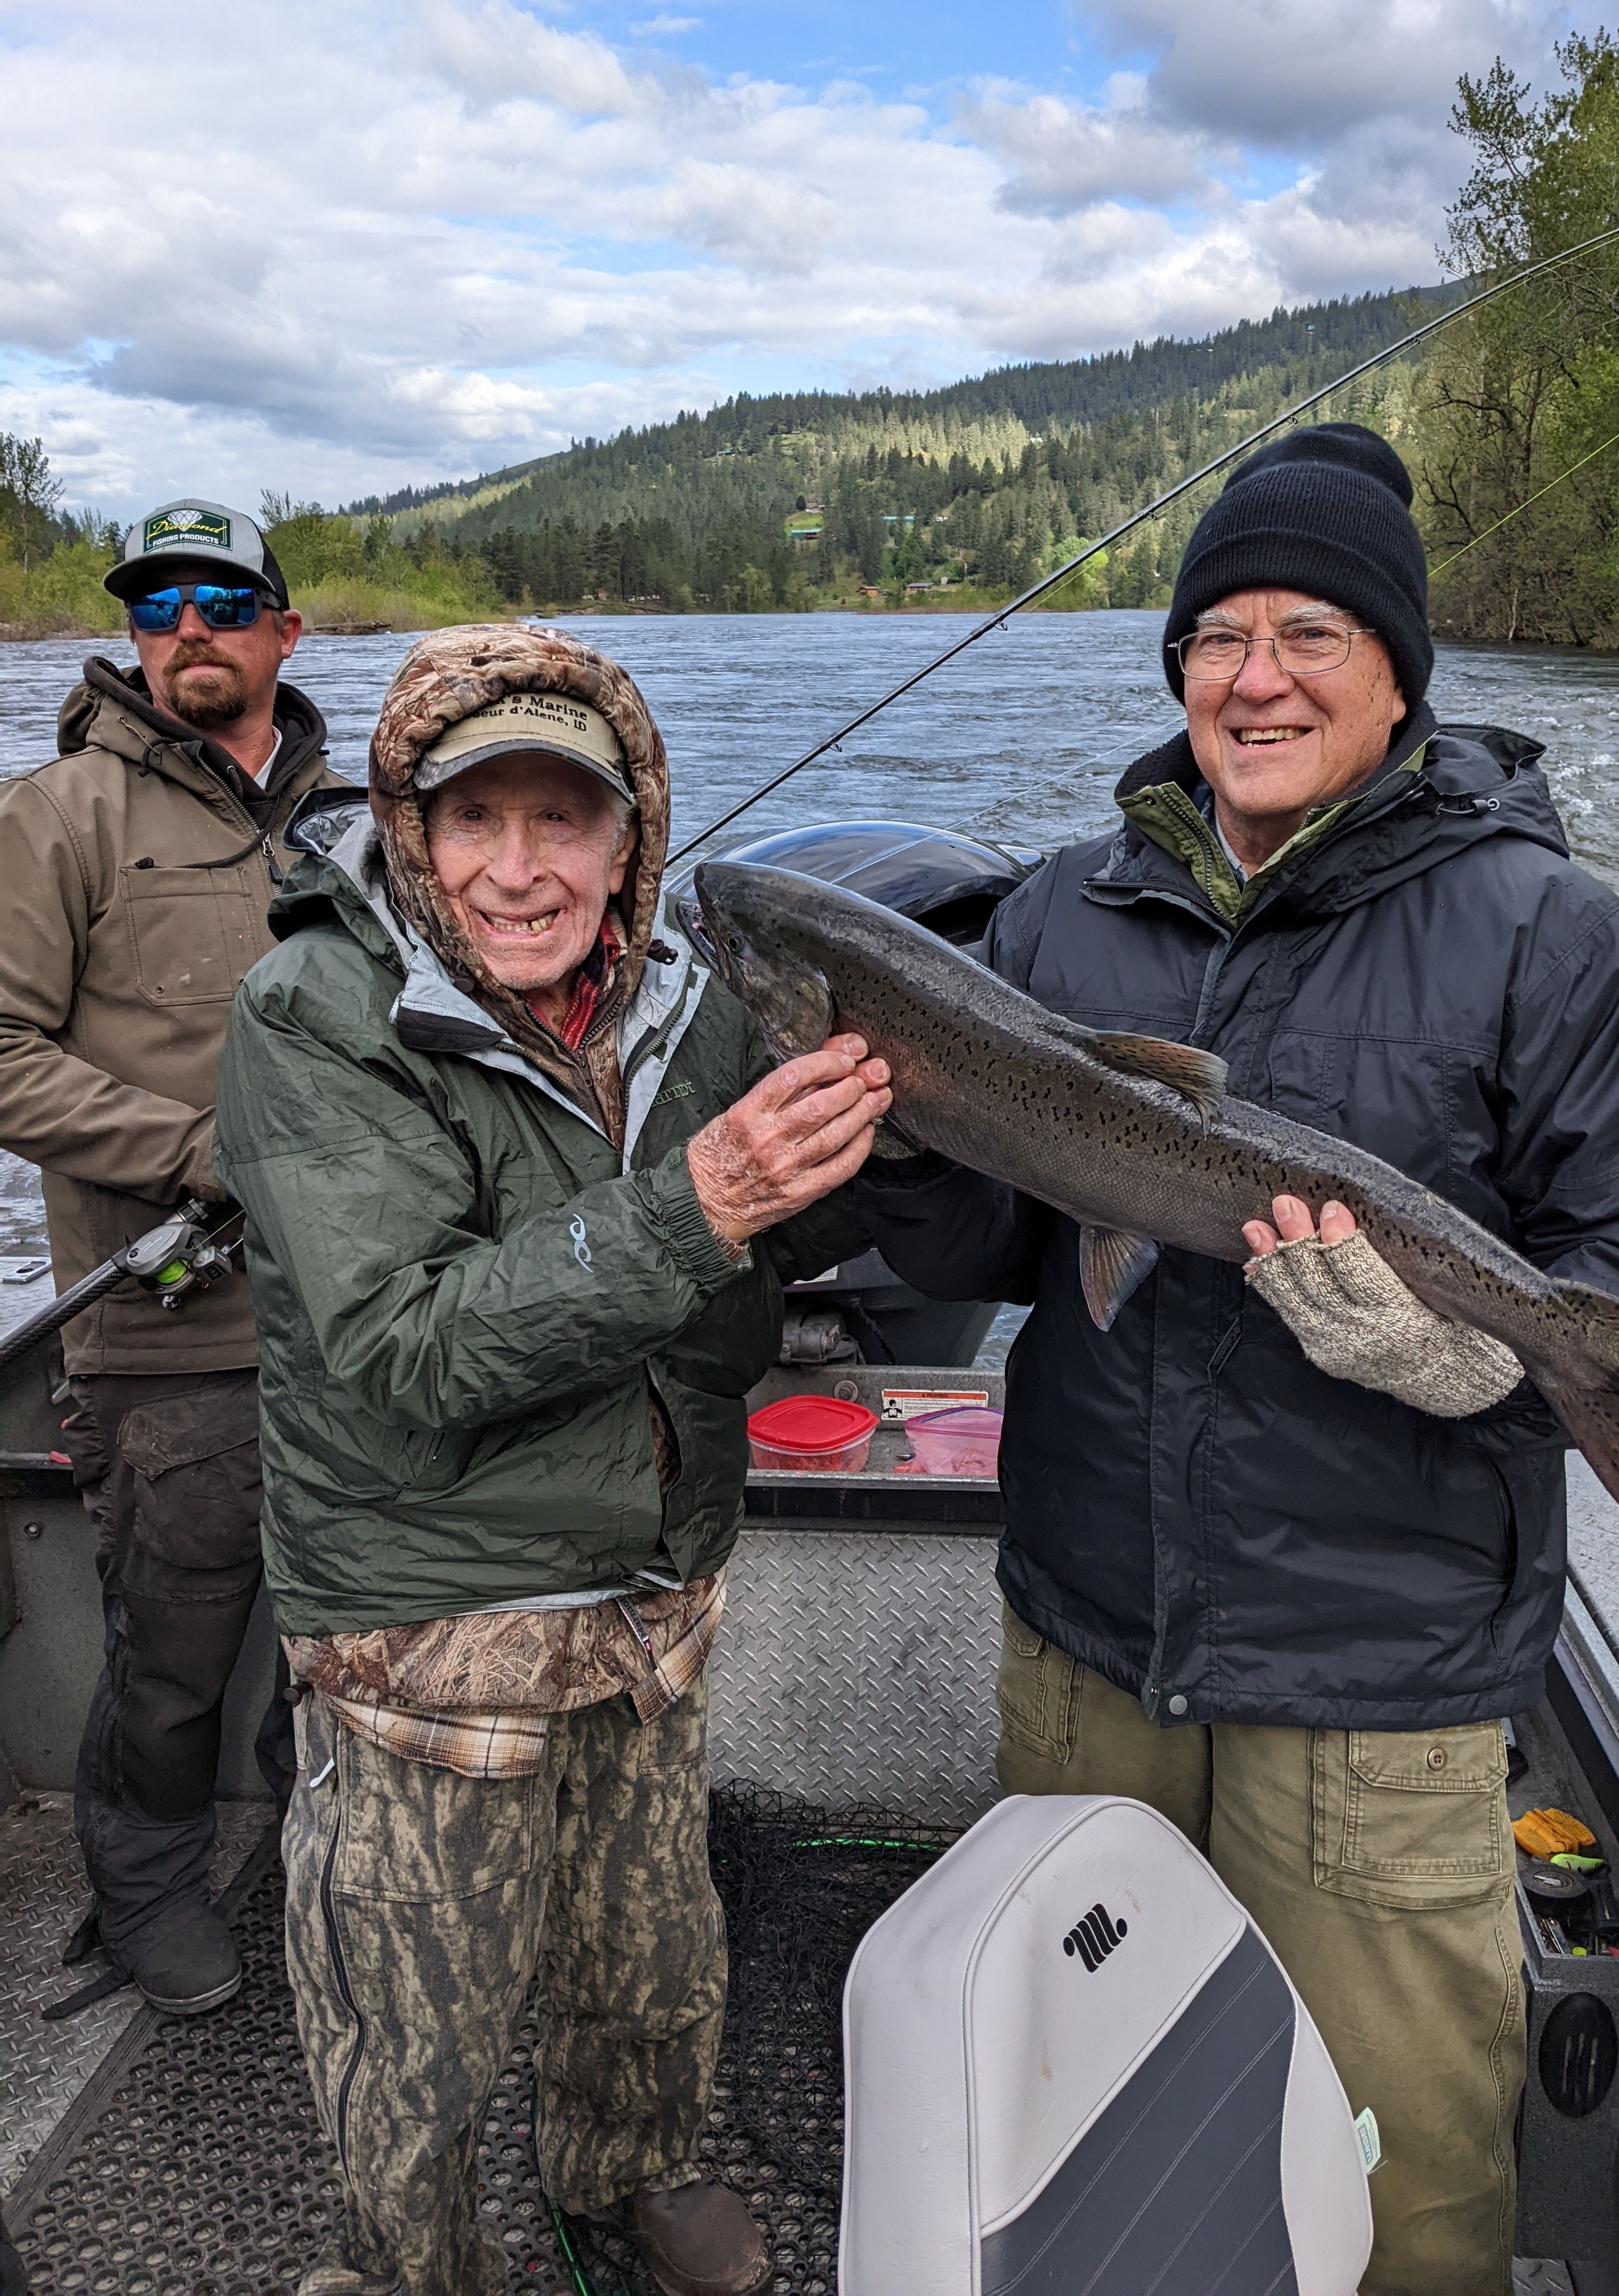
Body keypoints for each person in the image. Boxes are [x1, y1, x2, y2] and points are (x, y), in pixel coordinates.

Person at [859, 424, 1619, 2295]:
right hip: (1090, 1630)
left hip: (1378, 1666)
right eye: (1217, 633)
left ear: (1399, 670)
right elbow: (982, 1251)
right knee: (1076, 2121)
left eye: (1309, 632)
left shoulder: (1549, 933)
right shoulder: (1055, 914)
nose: (1253, 676)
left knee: (1405, 2176)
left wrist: (1479, 1364)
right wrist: (910, 1143)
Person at [213, 623, 886, 2296]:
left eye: (564, 821)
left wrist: (870, 1162)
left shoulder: (691, 1005)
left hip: (652, 1595)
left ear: (629, 837)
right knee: (414, 2020)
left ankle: (633, 2180)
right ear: (412, 832)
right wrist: (702, 1203)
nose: (519, 872)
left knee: (651, 1958)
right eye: (474, 821)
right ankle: (414, 2263)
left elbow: (761, 1270)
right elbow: (406, 1347)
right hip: (427, 1623)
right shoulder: (312, 1014)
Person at [0, 499, 336, 2013]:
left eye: (218, 598)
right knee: (170, 1654)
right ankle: (141, 1891)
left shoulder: (368, 813)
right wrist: (197, 1154)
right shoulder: (57, 815)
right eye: (156, 607)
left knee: (349, 1628)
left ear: (282, 626)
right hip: (168, 1334)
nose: (186, 628)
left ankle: (315, 1849)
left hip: (368, 1323)